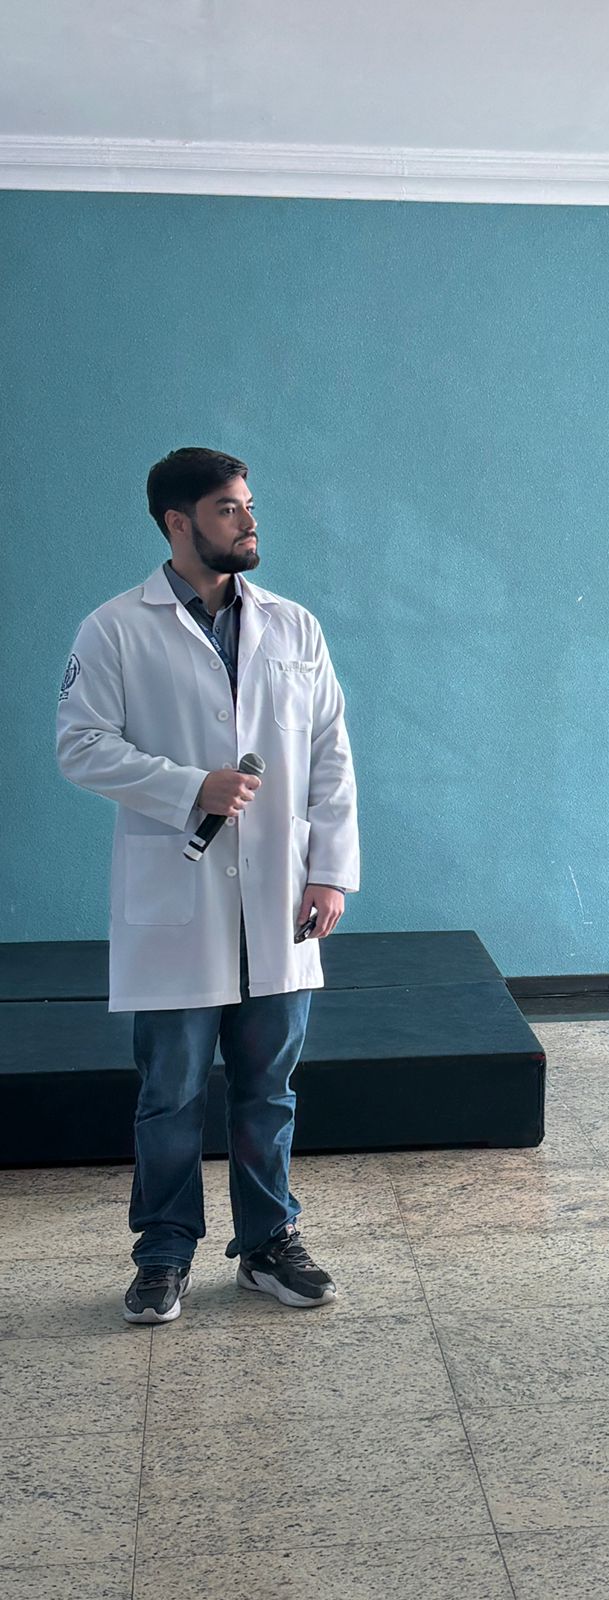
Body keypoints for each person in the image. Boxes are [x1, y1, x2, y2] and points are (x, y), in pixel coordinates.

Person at [57, 448, 359, 1323]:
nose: (249, 521)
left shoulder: (294, 628)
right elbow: (80, 746)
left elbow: (330, 755)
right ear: (177, 522)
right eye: (229, 508)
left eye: (249, 504)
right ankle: (163, 1253)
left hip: (279, 901)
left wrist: (330, 871)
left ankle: (268, 1243)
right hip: (178, 903)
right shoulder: (115, 629)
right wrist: (191, 786)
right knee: (172, 1096)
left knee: (269, 1091)